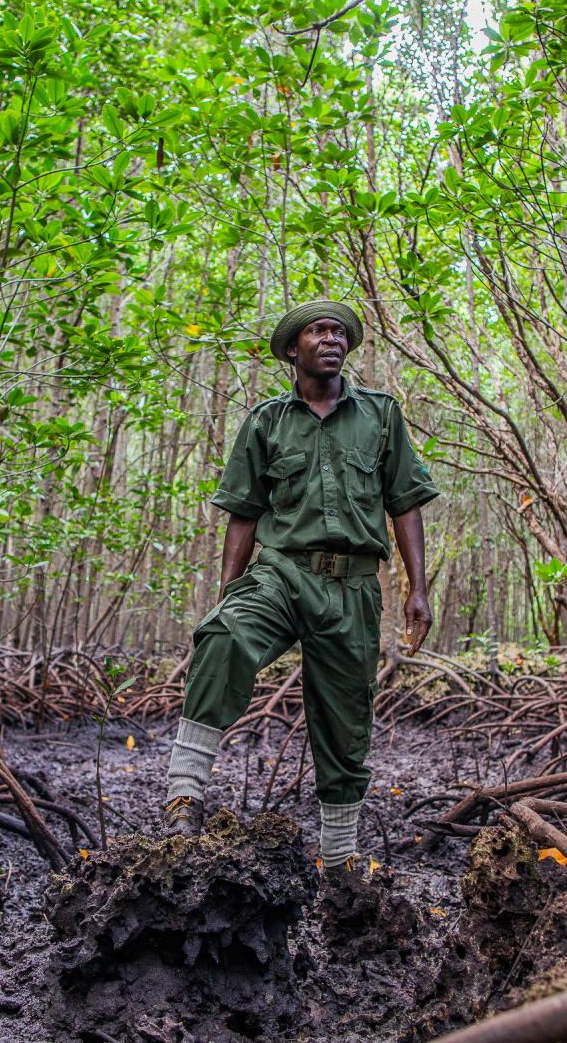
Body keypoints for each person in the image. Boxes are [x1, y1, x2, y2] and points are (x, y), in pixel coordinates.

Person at [163, 299, 439, 877]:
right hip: (282, 571)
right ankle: (184, 795)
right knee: (224, 635)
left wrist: (418, 588)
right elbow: (243, 512)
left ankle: (339, 862)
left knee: (345, 722)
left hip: (353, 585)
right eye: (319, 331)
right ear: (294, 350)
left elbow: (405, 502)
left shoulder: (382, 415)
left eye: (340, 332)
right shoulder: (266, 422)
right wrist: (228, 592)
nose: (332, 339)